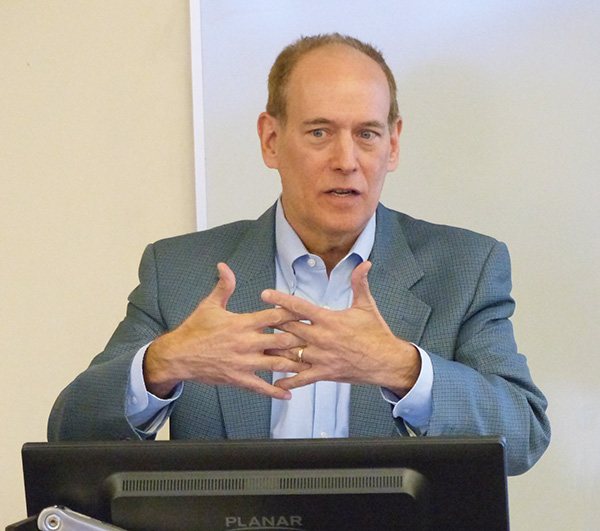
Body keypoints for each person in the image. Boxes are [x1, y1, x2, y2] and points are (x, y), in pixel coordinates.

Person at [48, 33, 550, 475]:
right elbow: (70, 434)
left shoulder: (465, 268)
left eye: (367, 134)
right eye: (319, 132)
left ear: (393, 146)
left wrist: (403, 369)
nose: (346, 161)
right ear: (271, 140)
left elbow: (523, 436)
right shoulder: (180, 271)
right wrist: (161, 364)